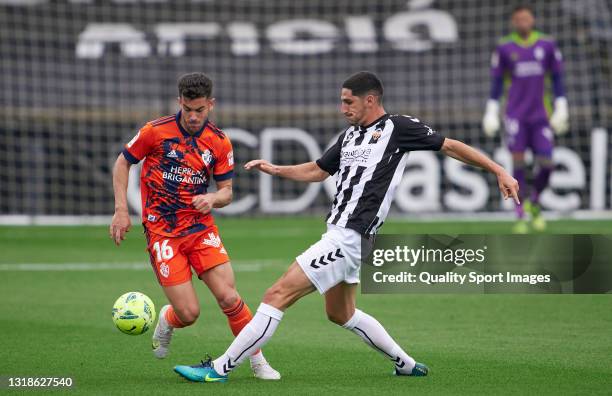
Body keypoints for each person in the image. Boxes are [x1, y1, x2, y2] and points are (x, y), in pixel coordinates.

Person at [173, 71, 519, 383]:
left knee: (276, 295)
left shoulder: (398, 128)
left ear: (371, 100)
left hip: (350, 236)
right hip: (342, 235)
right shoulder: (350, 136)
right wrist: (277, 170)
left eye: (348, 101)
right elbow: (318, 170)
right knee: (341, 312)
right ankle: (404, 363)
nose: (342, 108)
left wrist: (499, 171)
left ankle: (219, 369)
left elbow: (451, 147)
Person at [109, 72, 280, 380]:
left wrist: (213, 198)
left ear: (210, 105)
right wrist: (122, 210)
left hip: (200, 229)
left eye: (199, 110)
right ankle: (167, 319)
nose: (192, 116)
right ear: (180, 102)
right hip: (162, 232)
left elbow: (227, 193)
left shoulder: (218, 142)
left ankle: (257, 361)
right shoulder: (155, 131)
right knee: (189, 314)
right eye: (187, 109)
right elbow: (123, 162)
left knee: (229, 296)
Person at [482, 5, 568, 233]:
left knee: (548, 164)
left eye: (526, 19)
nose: (523, 23)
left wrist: (561, 107)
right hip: (515, 116)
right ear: (513, 22)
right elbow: (497, 83)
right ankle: (520, 214)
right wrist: (491, 112)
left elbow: (557, 78)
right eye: (518, 19)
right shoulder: (504, 47)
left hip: (541, 115)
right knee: (517, 163)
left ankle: (535, 201)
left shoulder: (547, 44)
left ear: (532, 20)